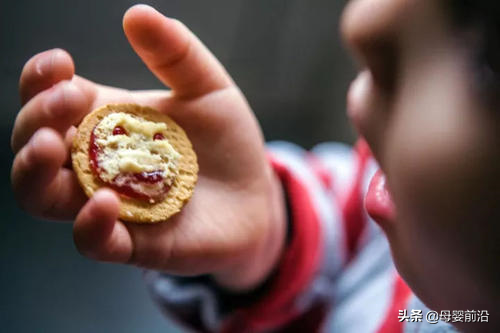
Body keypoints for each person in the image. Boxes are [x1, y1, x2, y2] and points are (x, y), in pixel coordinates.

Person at [10, 1, 499, 332]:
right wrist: (272, 241)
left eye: (489, 55)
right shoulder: (464, 296)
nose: (363, 20)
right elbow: (354, 234)